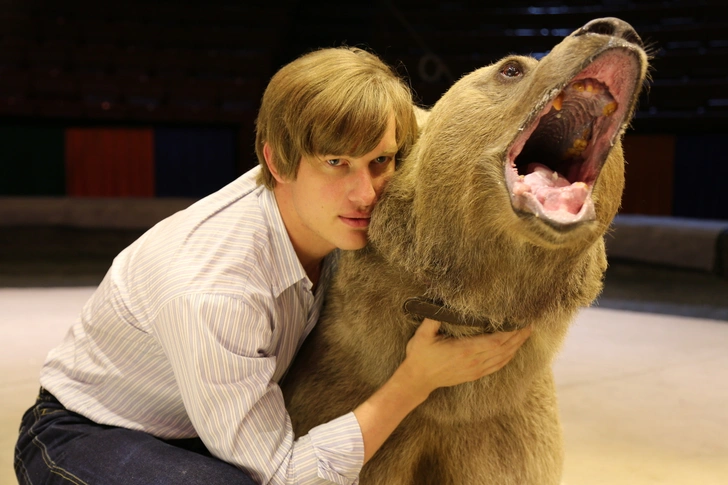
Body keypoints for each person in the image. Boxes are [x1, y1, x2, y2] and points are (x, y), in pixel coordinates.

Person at [14, 47, 532, 485]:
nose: (366, 192)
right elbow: (282, 475)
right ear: (277, 162)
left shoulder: (324, 207)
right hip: (87, 433)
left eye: (381, 161)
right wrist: (413, 381)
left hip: (202, 423)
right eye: (337, 163)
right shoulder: (214, 289)